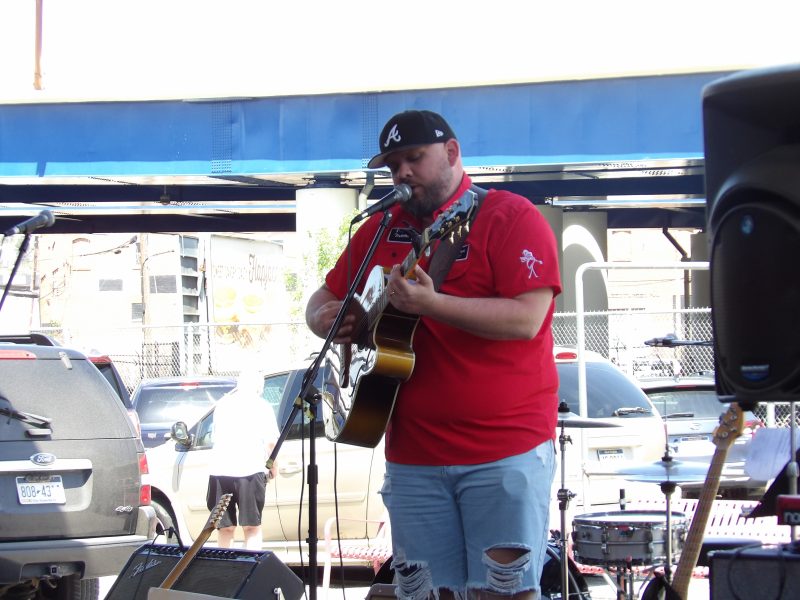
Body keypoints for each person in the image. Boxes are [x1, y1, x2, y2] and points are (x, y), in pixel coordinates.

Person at [305, 110, 562, 600]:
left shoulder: (510, 217)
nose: (402, 173)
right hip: (413, 457)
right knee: (425, 594)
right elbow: (323, 297)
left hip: (502, 450)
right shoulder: (380, 229)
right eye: (393, 165)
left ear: (452, 153)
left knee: (501, 594)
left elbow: (527, 319)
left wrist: (432, 304)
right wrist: (323, 318)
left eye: (414, 158)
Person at [206, 369, 279, 550]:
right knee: (252, 528)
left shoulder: (223, 405)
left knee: (225, 528)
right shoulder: (261, 406)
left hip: (220, 470)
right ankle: (251, 565)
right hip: (250, 470)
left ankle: (227, 566)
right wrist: (273, 466)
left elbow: (214, 437)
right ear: (259, 387)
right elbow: (271, 443)